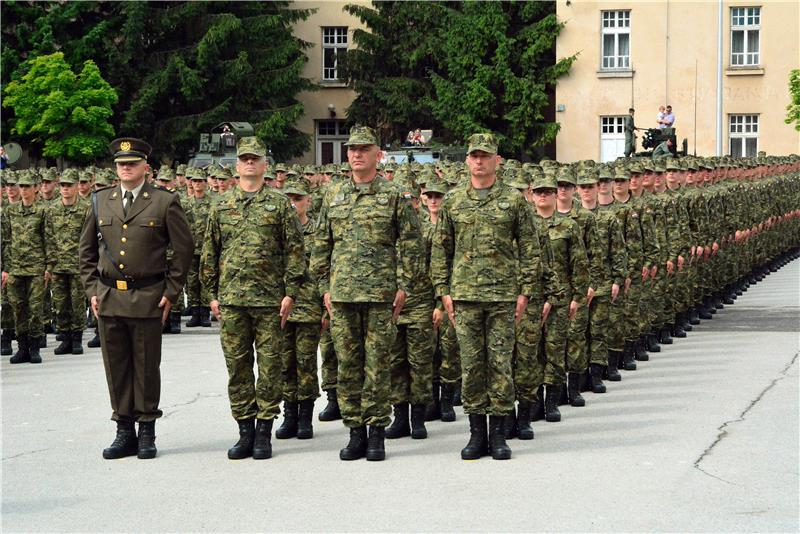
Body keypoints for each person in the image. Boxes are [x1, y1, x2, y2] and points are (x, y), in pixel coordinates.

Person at [311, 125, 423, 462]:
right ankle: (354, 432)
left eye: (364, 149)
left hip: (380, 296)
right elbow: (320, 246)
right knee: (348, 366)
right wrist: (323, 289)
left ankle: (377, 434)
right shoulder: (332, 195)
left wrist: (403, 285)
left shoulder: (393, 196)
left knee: (378, 367)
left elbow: (411, 244)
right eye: (352, 149)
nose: (357, 154)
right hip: (342, 296)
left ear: (378, 155)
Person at [431, 133, 544, 460]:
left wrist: (525, 291)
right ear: (466, 161)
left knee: (500, 365)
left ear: (497, 161)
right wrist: (443, 292)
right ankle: (476, 434)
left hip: (502, 297)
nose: (479, 161)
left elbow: (529, 247)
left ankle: (498, 434)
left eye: (485, 156)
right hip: (464, 297)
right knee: (471, 366)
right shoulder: (453, 201)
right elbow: (441, 250)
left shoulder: (513, 201)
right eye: (474, 156)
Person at [79, 137, 193, 460]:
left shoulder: (164, 201)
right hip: (110, 296)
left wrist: (171, 291)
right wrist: (92, 290)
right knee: (116, 366)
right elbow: (86, 251)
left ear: (146, 166)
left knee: (145, 366)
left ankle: (146, 431)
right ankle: (123, 429)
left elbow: (183, 250)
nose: (126, 169)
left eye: (132, 163)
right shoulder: (101, 201)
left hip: (148, 297)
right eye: (120, 164)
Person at [200, 136, 305, 460]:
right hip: (232, 300)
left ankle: (264, 432)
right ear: (237, 164)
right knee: (238, 368)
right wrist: (210, 294)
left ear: (264, 165)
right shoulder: (221, 204)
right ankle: (244, 430)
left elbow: (295, 251)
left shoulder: (279, 204)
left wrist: (290, 293)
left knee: (270, 367)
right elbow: (209, 251)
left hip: (269, 300)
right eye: (244, 158)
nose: (249, 163)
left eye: (254, 158)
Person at [275, 177, 323, 441]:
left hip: (309, 307)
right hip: (281, 306)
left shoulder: (318, 232)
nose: (293, 204)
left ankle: (305, 418)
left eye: (298, 199)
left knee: (305, 363)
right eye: (289, 199)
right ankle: (289, 414)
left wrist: (326, 310)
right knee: (284, 363)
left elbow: (327, 268)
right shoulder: (277, 231)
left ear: (308, 201)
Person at [2, 170, 48, 364]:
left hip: (36, 267)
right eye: (21, 186)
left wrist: (49, 267)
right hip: (15, 268)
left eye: (27, 186)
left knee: (36, 308)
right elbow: (5, 241)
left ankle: (35, 347)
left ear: (35, 188)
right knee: (17, 308)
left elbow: (49, 239)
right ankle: (22, 348)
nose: (23, 190)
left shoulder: (43, 211)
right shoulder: (10, 211)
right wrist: (4, 268)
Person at [45, 167, 90, 355]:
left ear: (76, 186)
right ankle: (65, 336)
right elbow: (47, 237)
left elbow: (91, 239)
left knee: (78, 302)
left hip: (78, 264)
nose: (65, 188)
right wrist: (48, 265)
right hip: (58, 265)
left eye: (69, 185)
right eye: (62, 185)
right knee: (60, 303)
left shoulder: (86, 208)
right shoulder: (52, 209)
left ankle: (77, 337)